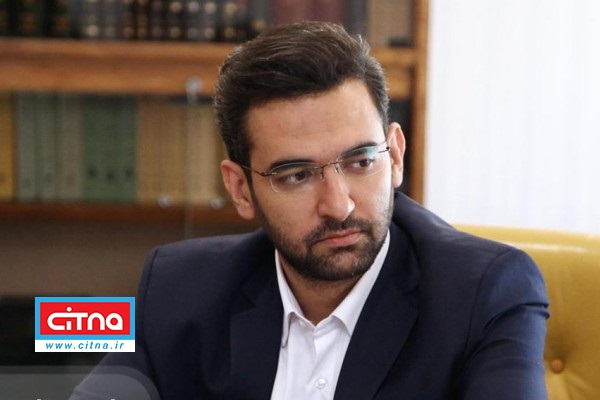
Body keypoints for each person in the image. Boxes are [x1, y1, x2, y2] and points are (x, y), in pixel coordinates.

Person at [71, 21, 549, 400]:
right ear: (240, 189)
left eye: (361, 162)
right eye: (296, 175)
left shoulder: (486, 293)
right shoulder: (179, 288)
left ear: (396, 156)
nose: (338, 205)